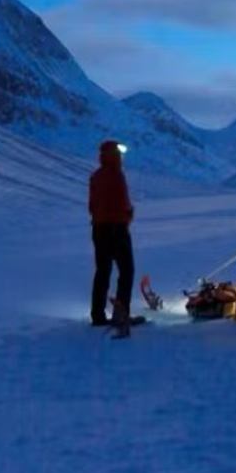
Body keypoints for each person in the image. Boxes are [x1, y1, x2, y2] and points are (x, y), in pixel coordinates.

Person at [88, 138, 135, 332]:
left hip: (99, 229)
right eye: (119, 153)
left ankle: (98, 314)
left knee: (103, 271)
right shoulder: (116, 175)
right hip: (117, 229)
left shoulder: (96, 176)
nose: (121, 157)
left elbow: (92, 206)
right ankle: (121, 312)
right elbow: (122, 203)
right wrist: (128, 214)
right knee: (126, 270)